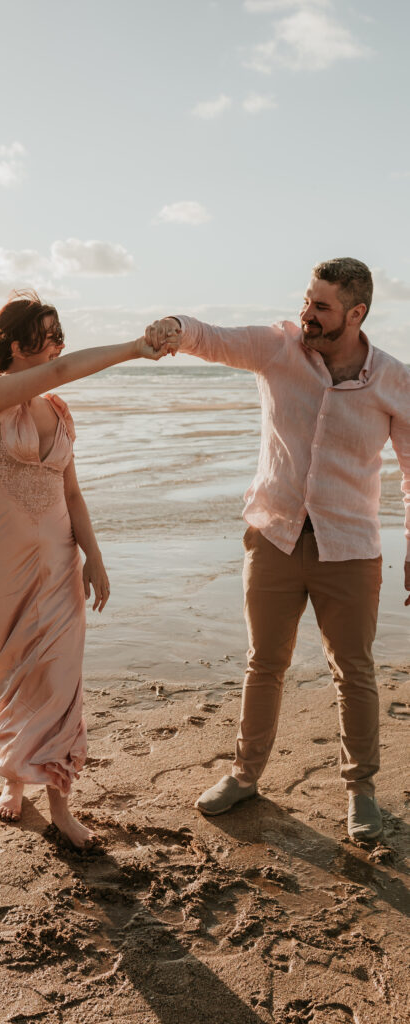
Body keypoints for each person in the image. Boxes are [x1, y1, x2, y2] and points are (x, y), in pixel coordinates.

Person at [146, 258, 410, 841]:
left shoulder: (393, 379)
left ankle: (360, 791)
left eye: (321, 307)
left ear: (356, 313)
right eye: (306, 301)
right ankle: (244, 775)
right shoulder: (279, 347)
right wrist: (175, 326)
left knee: (355, 671)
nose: (306, 314)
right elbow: (215, 339)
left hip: (351, 547)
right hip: (275, 537)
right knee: (264, 664)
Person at [0, 292, 172, 848]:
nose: (59, 345)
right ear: (14, 343)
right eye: (48, 334)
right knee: (10, 675)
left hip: (58, 561)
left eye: (60, 334)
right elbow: (57, 371)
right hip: (0, 565)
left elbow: (73, 491)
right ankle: (13, 781)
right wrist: (134, 348)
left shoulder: (57, 411)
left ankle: (60, 806)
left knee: (59, 679)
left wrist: (95, 557)